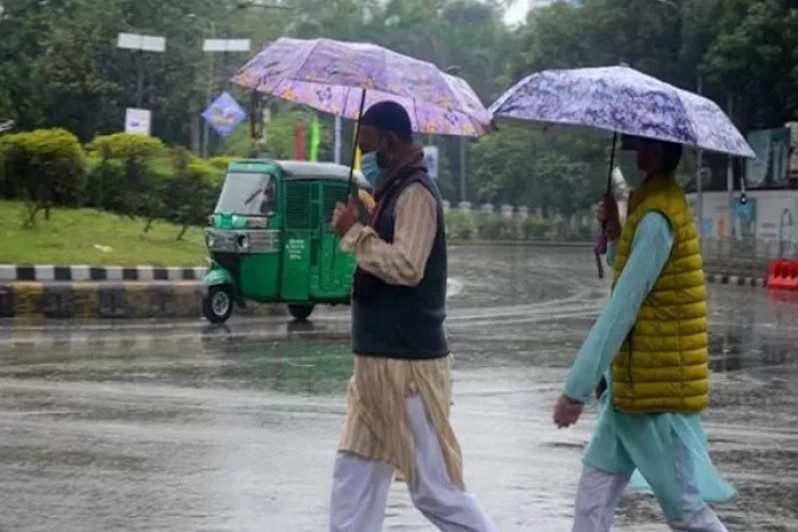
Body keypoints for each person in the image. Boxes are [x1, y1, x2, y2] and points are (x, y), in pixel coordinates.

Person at [329, 101, 498, 532]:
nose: (363, 155)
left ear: (390, 143)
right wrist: (360, 225)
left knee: (435, 490)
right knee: (354, 478)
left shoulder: (416, 194)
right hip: (371, 368)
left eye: (367, 144)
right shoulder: (389, 192)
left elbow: (407, 266)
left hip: (408, 369)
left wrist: (353, 233)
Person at [553, 136, 737, 532]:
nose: (635, 153)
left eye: (642, 147)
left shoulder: (658, 217)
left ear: (656, 153)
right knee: (592, 501)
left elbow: (623, 308)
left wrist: (577, 389)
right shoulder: (652, 206)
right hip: (630, 393)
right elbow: (636, 270)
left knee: (686, 512)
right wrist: (617, 231)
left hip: (655, 393)